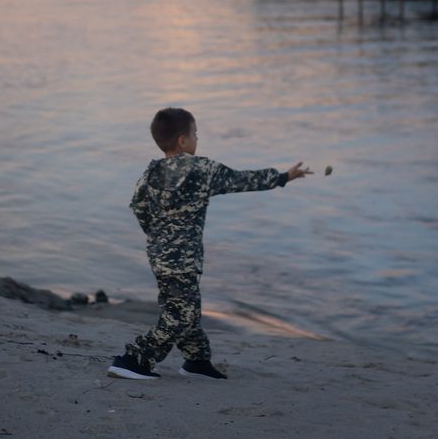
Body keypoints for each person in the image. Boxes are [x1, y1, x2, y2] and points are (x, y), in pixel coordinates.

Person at [107, 107, 313, 381]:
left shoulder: (150, 172)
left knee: (187, 308)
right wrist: (283, 177)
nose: (197, 138)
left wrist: (157, 235)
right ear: (183, 140)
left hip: (158, 255)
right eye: (195, 134)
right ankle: (134, 360)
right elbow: (242, 180)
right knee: (180, 314)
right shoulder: (201, 169)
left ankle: (197, 361)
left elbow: (138, 206)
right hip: (184, 259)